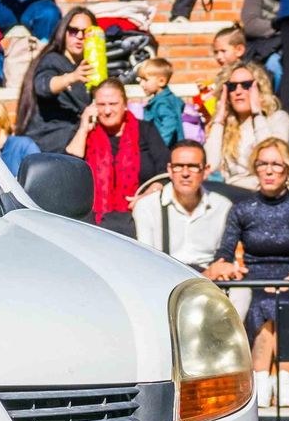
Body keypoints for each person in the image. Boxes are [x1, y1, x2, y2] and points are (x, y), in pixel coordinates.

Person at [207, 136, 289, 406]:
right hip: (255, 279)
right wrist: (228, 266)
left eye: (276, 164)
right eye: (262, 163)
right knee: (265, 306)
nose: (268, 170)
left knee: (288, 302)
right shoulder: (242, 208)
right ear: (255, 168)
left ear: (287, 169)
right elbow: (224, 252)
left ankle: (280, 383)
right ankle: (266, 382)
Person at [66, 79, 168, 234]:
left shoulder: (145, 131)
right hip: (95, 222)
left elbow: (165, 170)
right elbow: (69, 168)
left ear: (125, 105)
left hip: (138, 216)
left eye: (113, 104)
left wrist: (147, 196)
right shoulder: (87, 133)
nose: (107, 111)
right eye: (101, 104)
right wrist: (83, 127)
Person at [134, 139, 232, 269]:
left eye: (193, 166)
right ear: (170, 169)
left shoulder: (222, 207)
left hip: (211, 283)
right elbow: (146, 261)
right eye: (178, 166)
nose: (185, 173)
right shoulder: (147, 207)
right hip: (165, 278)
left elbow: (227, 258)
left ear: (206, 170)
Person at [206, 60, 289, 189]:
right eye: (232, 86)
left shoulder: (278, 119)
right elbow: (210, 165)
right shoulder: (223, 128)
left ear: (259, 89)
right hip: (234, 196)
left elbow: (272, 158)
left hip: (268, 192)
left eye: (246, 85)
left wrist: (257, 114)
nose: (238, 91)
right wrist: (218, 120)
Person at [19, 7, 96, 153]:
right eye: (73, 31)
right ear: (64, 32)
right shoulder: (52, 60)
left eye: (86, 32)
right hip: (51, 144)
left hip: (77, 141)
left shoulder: (92, 65)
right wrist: (72, 77)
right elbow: (43, 86)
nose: (80, 36)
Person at [137, 57, 185, 146]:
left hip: (166, 150)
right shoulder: (170, 98)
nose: (141, 84)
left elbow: (170, 123)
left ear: (161, 81)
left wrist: (159, 145)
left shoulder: (162, 103)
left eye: (145, 80)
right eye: (140, 80)